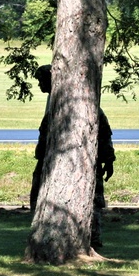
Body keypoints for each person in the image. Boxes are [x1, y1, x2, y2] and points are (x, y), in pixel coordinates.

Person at [30, 64, 115, 249]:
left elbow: (103, 132)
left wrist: (108, 159)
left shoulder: (76, 103)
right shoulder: (55, 104)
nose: (39, 85)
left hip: (83, 162)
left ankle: (92, 238)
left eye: (41, 80)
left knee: (92, 200)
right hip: (50, 161)